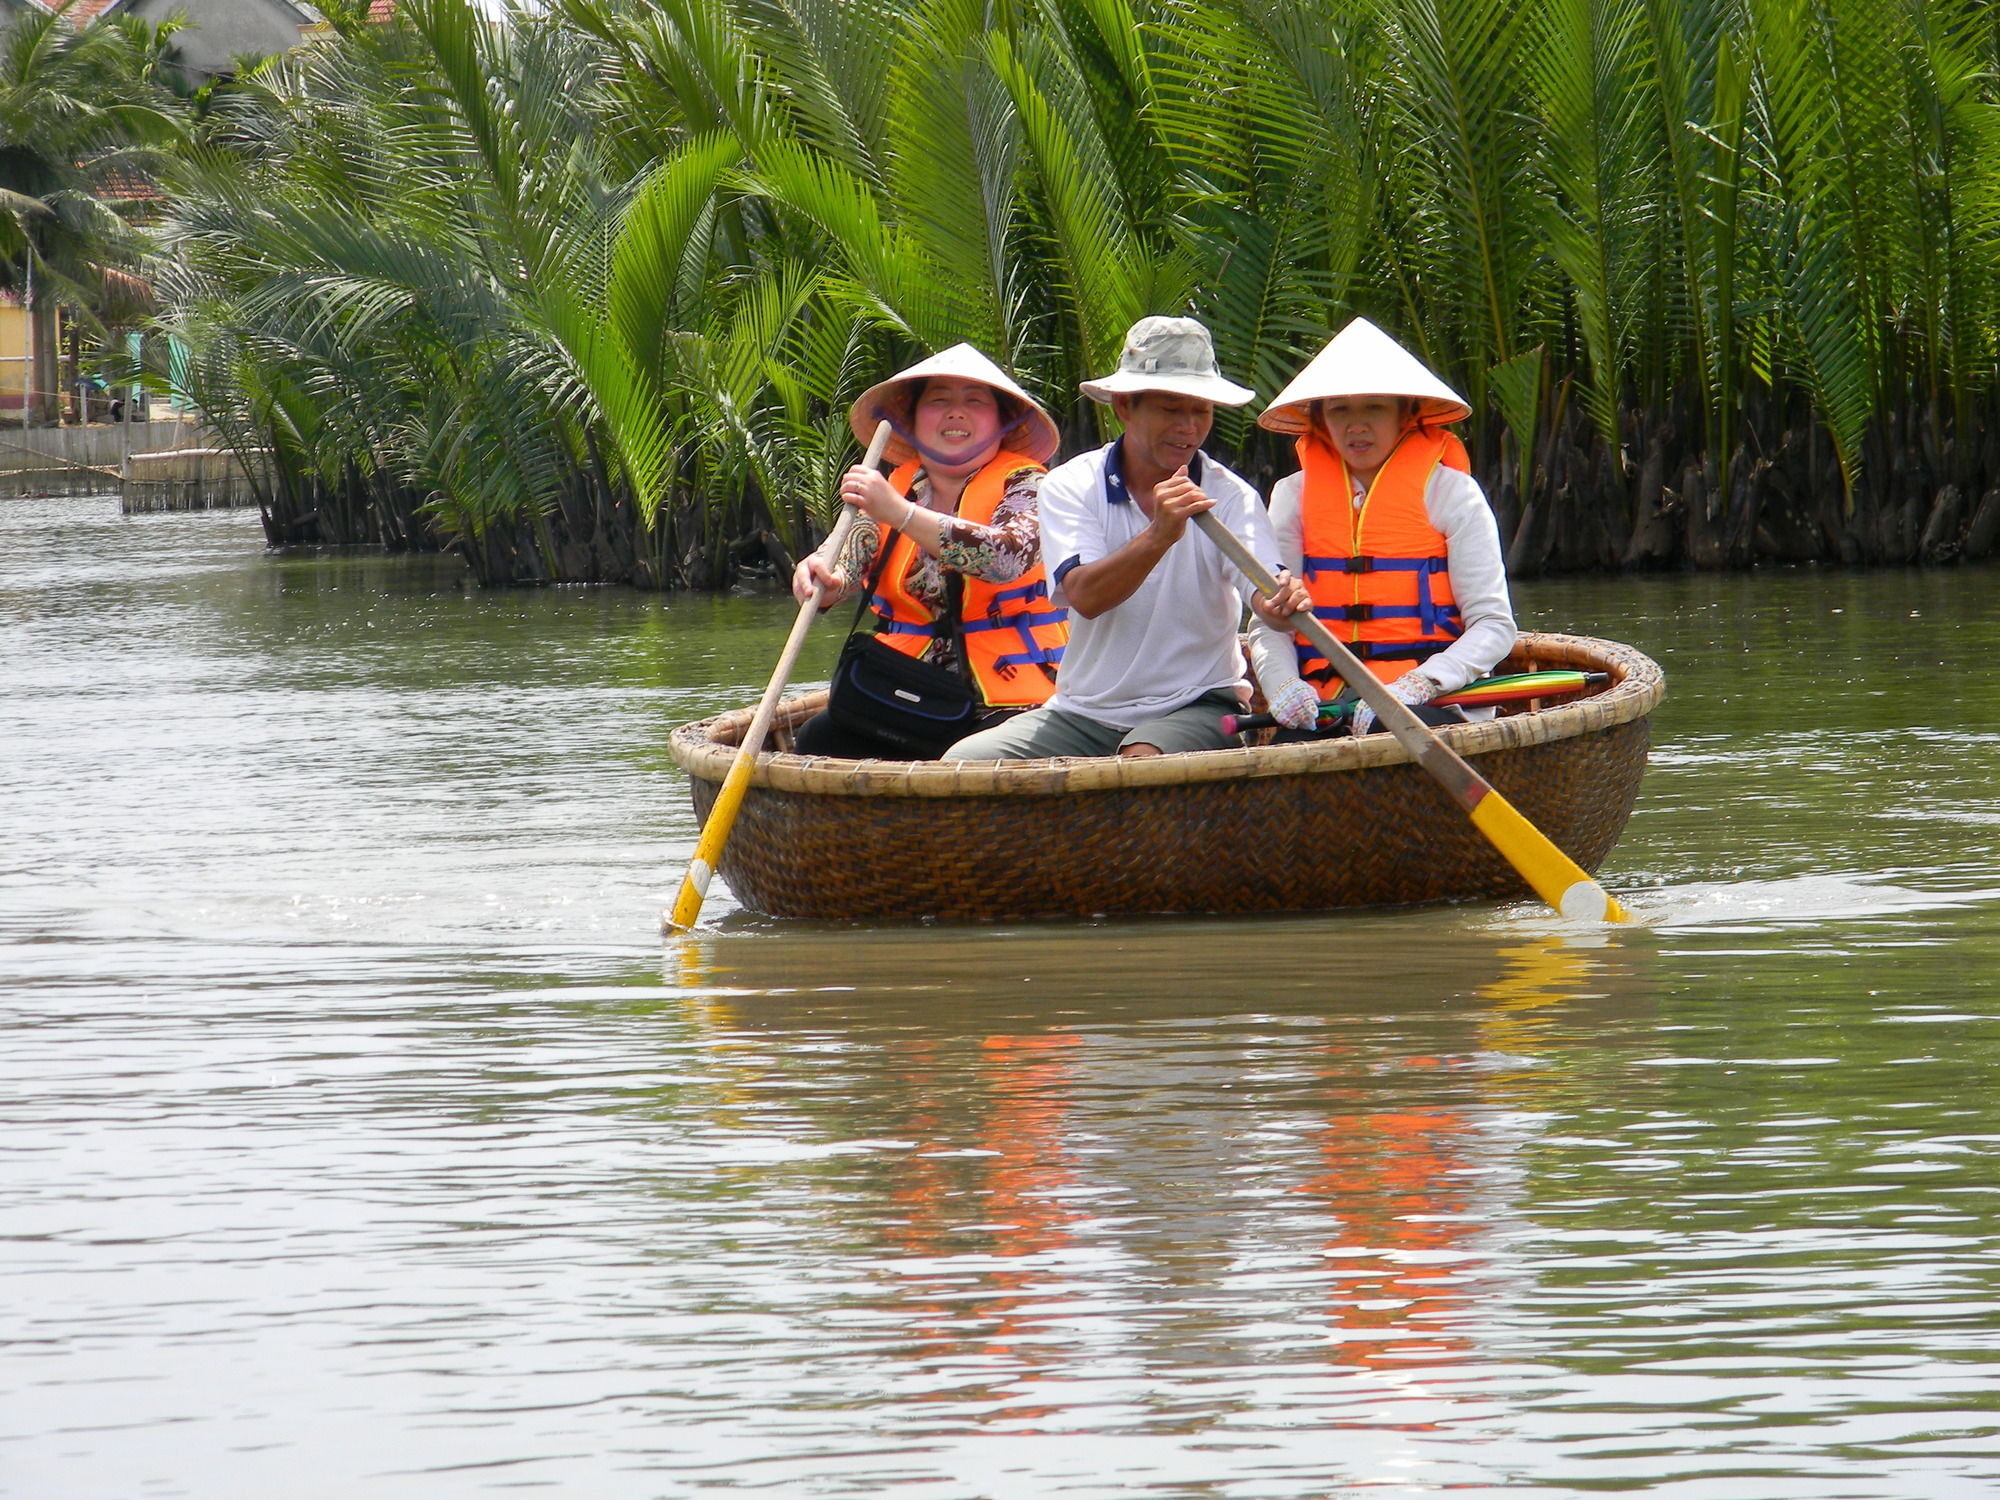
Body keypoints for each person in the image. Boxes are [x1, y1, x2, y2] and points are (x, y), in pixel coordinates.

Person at [944, 316, 1309, 761]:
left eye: (1201, 411)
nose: (1189, 428)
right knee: (966, 764)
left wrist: (1279, 605)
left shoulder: (1231, 495)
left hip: (1200, 703)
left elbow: (1265, 589)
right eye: (1171, 409)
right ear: (1123, 407)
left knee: (1141, 757)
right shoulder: (1069, 485)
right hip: (1083, 713)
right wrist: (1158, 536)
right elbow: (1086, 595)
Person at [789, 344, 1067, 759]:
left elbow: (1006, 558)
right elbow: (845, 560)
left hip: (1013, 700)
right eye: (939, 401)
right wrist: (821, 580)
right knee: (817, 739)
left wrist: (901, 514)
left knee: (979, 757)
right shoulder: (890, 489)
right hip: (908, 689)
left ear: (1003, 422)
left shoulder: (1031, 487)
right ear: (912, 421)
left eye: (974, 401)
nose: (956, 413)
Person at [1247, 317, 1516, 739]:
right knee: (1291, 749)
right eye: (1340, 410)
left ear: (1405, 413)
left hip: (1436, 702)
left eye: (1374, 406)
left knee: (1396, 738)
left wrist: (1421, 683)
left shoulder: (1453, 492)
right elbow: (1269, 619)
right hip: (1326, 703)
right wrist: (1283, 685)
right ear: (1319, 419)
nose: (1357, 426)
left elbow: (1494, 625)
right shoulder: (1291, 495)